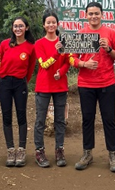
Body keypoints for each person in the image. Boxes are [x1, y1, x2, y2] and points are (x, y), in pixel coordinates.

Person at [69, 1, 115, 172]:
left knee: (109, 120)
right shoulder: (80, 33)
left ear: (102, 15)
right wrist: (84, 64)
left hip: (107, 83)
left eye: (96, 13)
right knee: (88, 119)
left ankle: (113, 155)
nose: (94, 16)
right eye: (90, 13)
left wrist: (108, 49)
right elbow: (71, 58)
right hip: (86, 84)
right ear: (86, 15)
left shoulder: (110, 33)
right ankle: (87, 153)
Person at [0, 16, 36, 167]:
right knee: (7, 116)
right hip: (5, 83)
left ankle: (21, 150)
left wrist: (24, 81)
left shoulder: (30, 46)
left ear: (26, 28)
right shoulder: (5, 43)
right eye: (15, 26)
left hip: (20, 83)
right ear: (12, 28)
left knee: (21, 115)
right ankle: (10, 149)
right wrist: (2, 73)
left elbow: (31, 67)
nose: (18, 29)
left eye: (21, 26)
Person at [33, 10, 70, 168]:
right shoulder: (39, 43)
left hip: (60, 85)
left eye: (53, 22)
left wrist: (61, 72)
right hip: (43, 85)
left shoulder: (64, 41)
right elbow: (43, 64)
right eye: (48, 22)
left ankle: (59, 150)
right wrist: (56, 51)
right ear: (43, 25)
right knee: (40, 120)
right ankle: (39, 151)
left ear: (57, 24)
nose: (51, 25)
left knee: (60, 120)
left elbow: (68, 61)